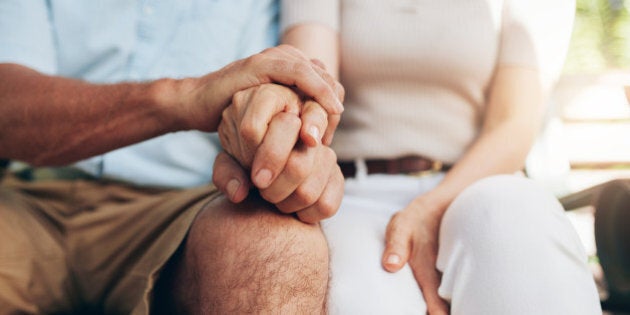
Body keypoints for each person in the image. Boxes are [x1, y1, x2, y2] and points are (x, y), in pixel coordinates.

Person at [0, 1, 344, 314]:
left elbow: (269, 95)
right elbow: (7, 108)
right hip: (35, 202)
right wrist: (185, 99)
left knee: (278, 251)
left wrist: (277, 132)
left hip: (186, 206)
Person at [265, 0, 603, 314]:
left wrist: (430, 207)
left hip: (475, 184)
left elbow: (514, 124)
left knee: (515, 220)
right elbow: (312, 85)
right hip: (350, 195)